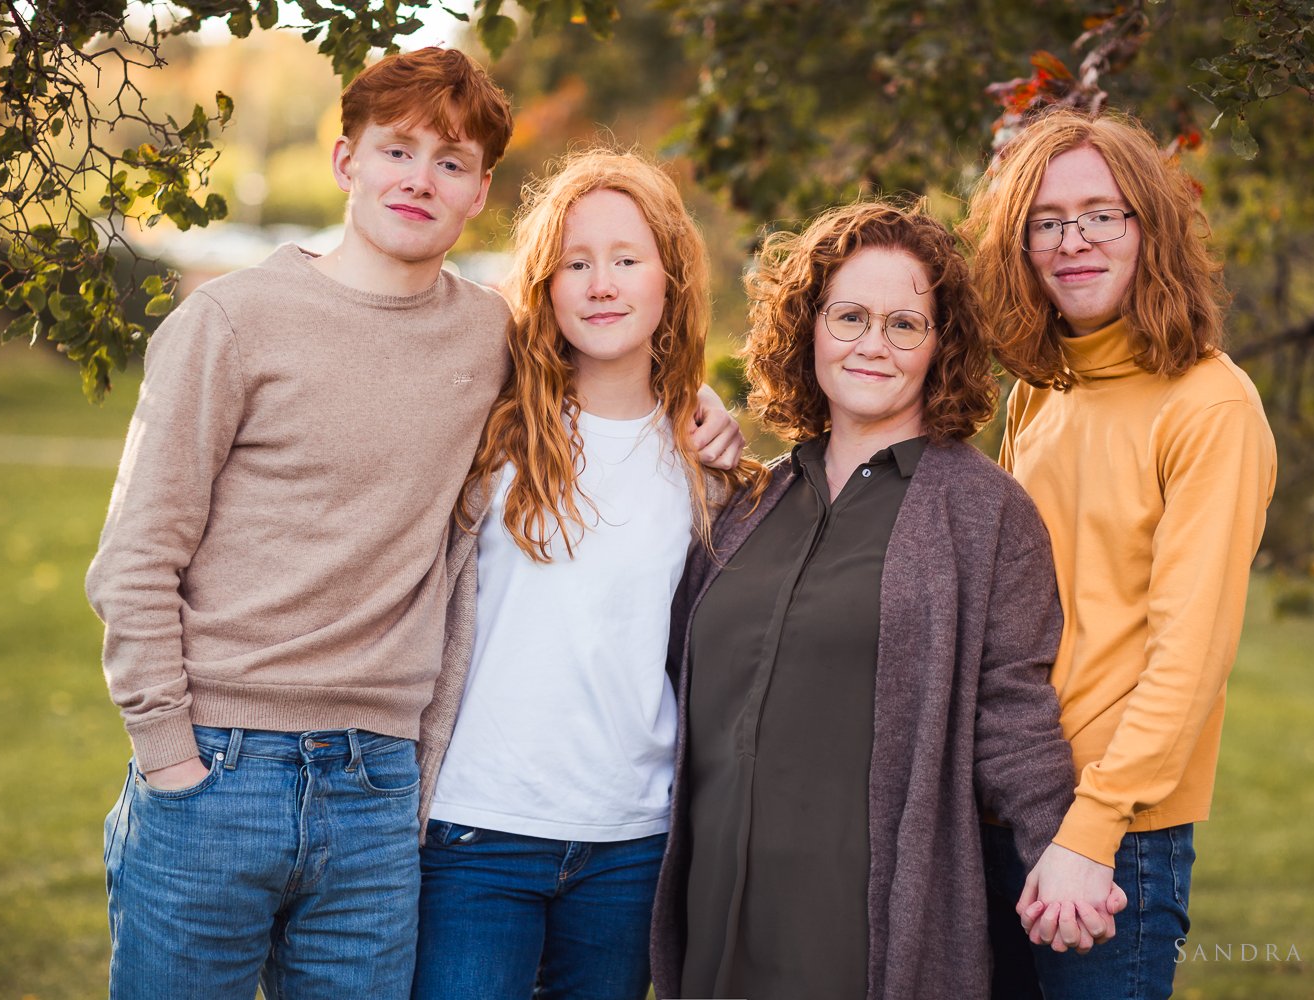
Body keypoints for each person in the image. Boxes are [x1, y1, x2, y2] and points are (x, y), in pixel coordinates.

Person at [86, 51, 741, 999]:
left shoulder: (489, 340)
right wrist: (172, 759)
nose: (419, 179)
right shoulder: (231, 322)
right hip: (220, 764)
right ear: (347, 158)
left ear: (480, 191)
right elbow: (137, 558)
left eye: (451, 162)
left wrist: (698, 404)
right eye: (398, 150)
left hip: (379, 789)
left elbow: (612, 357)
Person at [649, 202, 1122, 1000]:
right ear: (809, 328)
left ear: (942, 347)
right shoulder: (748, 504)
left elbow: (1012, 707)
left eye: (906, 324)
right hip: (716, 916)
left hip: (860, 930)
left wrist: (1064, 847)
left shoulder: (984, 513)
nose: (873, 344)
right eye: (851, 316)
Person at [408, 149, 765, 1000]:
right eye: (576, 263)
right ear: (546, 286)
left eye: (626, 259)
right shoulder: (488, 437)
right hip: (476, 835)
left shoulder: (708, 469)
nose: (601, 284)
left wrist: (716, 410)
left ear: (669, 280)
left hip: (628, 847)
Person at [964, 107, 1278, 999]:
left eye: (1102, 214)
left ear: (1150, 226)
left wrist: (1089, 831)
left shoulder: (1210, 407)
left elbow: (1190, 656)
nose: (1075, 241)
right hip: (1008, 801)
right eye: (1048, 222)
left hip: (1114, 834)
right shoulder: (1041, 392)